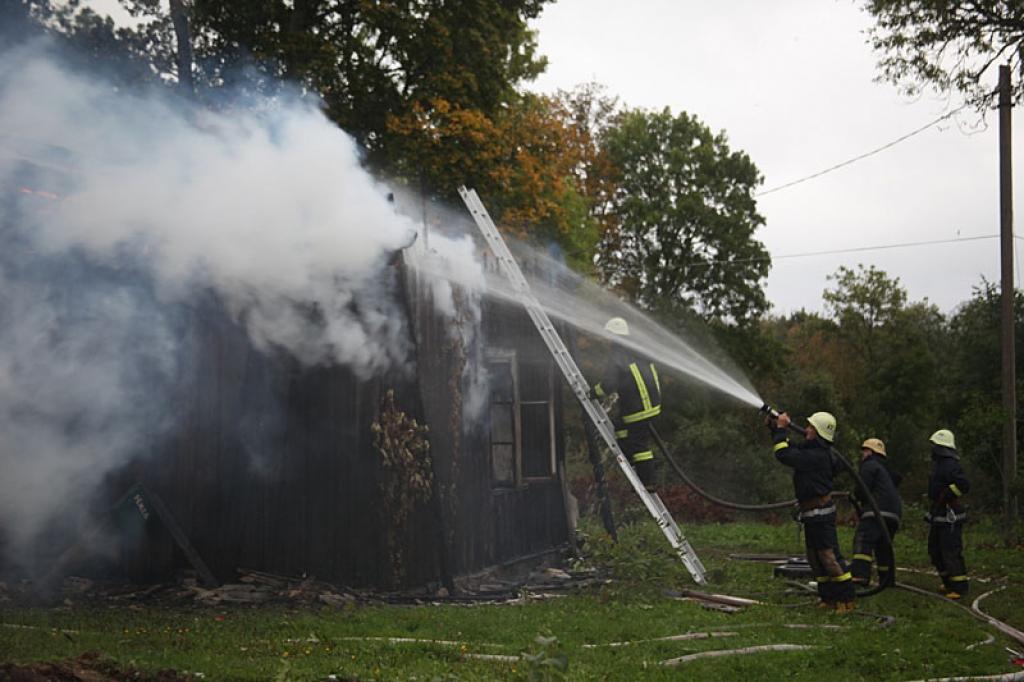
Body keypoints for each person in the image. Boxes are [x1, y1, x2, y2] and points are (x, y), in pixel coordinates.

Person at [768, 410, 855, 612]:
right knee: (815, 558)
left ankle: (846, 599)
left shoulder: (818, 456)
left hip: (821, 513)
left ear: (818, 432)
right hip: (811, 513)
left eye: (810, 427)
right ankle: (828, 598)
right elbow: (788, 446)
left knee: (829, 557)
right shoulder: (811, 451)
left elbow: (784, 454)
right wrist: (774, 428)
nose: (806, 429)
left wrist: (782, 428)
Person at [588, 317, 662, 491]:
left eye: (607, 335)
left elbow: (608, 384)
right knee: (620, 426)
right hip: (650, 405)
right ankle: (630, 458)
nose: (605, 340)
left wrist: (593, 393)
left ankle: (649, 481)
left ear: (614, 336)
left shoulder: (617, 355)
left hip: (638, 409)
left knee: (639, 445)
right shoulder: (636, 350)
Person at [850, 438, 902, 587]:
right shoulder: (886, 470)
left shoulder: (869, 465)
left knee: (863, 540)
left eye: (864, 451)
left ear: (870, 452)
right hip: (894, 513)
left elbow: (862, 489)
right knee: (883, 547)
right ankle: (887, 581)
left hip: (877, 511)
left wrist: (857, 497)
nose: (862, 455)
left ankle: (860, 576)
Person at [926, 429, 971, 599]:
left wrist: (948, 493)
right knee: (935, 549)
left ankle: (959, 587)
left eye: (935, 446)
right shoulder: (939, 465)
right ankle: (948, 583)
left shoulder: (950, 465)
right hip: (940, 513)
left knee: (950, 550)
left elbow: (964, 485)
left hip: (950, 515)